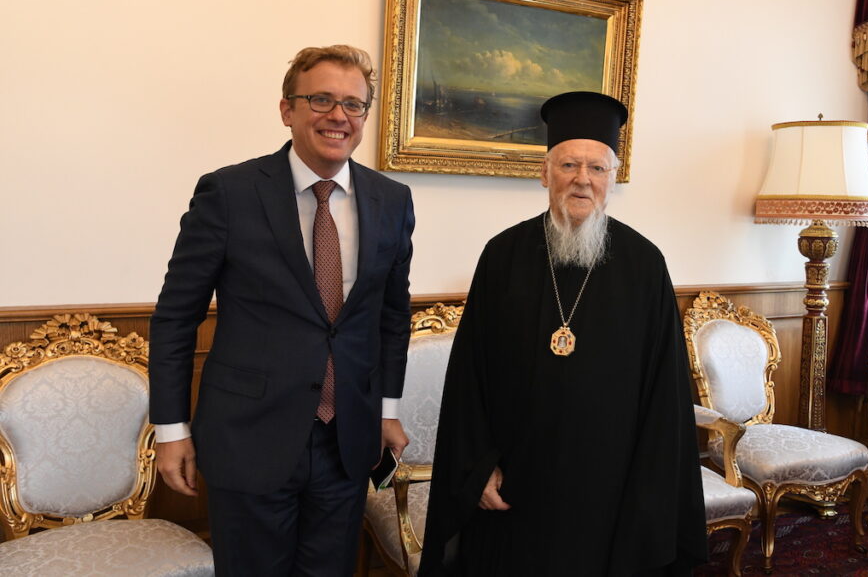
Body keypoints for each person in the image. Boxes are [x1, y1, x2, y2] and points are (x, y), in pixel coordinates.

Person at [149, 45, 414, 576]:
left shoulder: (392, 199)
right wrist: (171, 429)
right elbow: (176, 316)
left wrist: (386, 410)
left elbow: (391, 315)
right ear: (287, 109)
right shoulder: (229, 192)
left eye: (353, 104)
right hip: (249, 439)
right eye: (321, 99)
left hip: (347, 441)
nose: (338, 115)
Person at [420, 91, 707, 576]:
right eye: (569, 165)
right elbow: (469, 378)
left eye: (597, 168)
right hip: (517, 486)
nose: (582, 179)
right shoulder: (502, 256)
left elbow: (666, 395)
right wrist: (477, 469)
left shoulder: (644, 265)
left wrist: (648, 491)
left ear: (612, 179)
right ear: (545, 173)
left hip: (611, 493)